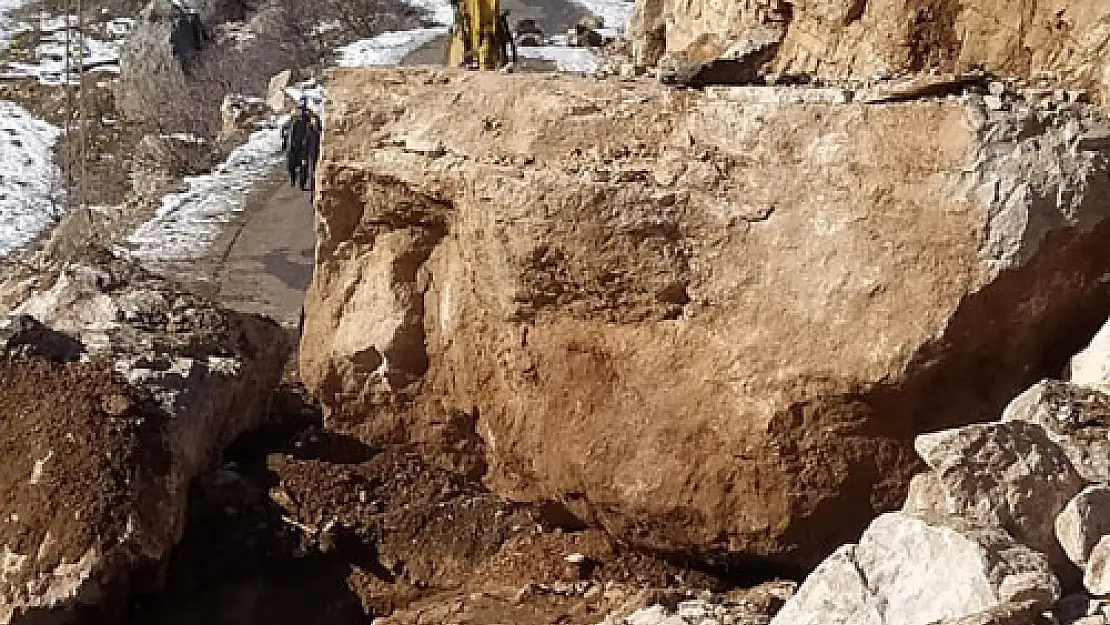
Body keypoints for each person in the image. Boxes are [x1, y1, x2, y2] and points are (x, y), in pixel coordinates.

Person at [282, 101, 312, 188]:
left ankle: (302, 184)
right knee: (291, 166)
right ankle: (293, 179)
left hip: (303, 148)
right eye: (300, 110)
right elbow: (285, 129)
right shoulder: (292, 120)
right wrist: (285, 141)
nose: (301, 112)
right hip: (292, 147)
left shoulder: (308, 121)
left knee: (303, 166)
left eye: (303, 110)